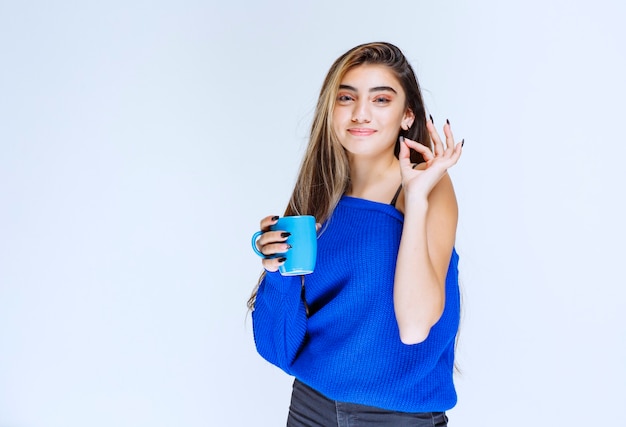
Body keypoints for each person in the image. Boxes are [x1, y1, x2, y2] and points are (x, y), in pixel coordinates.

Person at [248, 42, 464, 426]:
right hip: (310, 408)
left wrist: (415, 200)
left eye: (381, 99)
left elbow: (415, 327)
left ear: (406, 115)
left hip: (396, 417)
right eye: (346, 97)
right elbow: (277, 349)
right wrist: (277, 274)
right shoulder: (318, 193)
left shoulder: (428, 188)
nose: (360, 113)